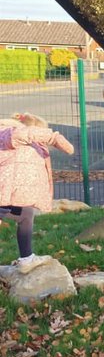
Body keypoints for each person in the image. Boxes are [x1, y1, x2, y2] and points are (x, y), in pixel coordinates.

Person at [0, 112, 75, 270]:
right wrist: (53, 136)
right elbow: (23, 133)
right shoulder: (10, 133)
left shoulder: (18, 142)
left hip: (8, 194)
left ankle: (27, 258)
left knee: (26, 214)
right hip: (3, 193)